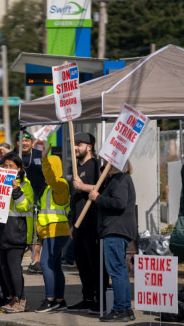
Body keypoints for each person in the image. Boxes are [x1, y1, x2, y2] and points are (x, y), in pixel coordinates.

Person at [89, 160, 136, 322]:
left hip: (115, 229)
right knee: (120, 270)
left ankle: (119, 309)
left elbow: (119, 203)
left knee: (116, 270)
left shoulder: (120, 179)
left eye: (106, 162)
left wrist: (98, 198)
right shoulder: (117, 179)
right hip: (116, 229)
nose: (103, 165)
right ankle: (125, 308)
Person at [67, 132, 108, 313]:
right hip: (78, 226)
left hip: (93, 225)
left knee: (96, 265)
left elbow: (104, 189)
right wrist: (71, 223)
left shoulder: (97, 165)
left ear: (89, 147)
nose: (75, 147)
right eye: (74, 144)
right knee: (82, 265)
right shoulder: (75, 168)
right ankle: (88, 298)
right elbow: (74, 198)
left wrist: (83, 187)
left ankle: (102, 300)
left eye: (79, 144)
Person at [0, 131, 45, 274]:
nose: (23, 143)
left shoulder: (38, 154)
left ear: (32, 142)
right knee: (26, 231)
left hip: (38, 197)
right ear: (15, 143)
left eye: (27, 140)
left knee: (37, 232)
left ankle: (35, 260)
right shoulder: (10, 156)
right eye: (20, 140)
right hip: (17, 200)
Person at [0, 152, 34, 313]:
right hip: (1, 231)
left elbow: (25, 206)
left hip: (17, 232)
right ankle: (13, 298)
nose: (8, 169)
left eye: (11, 166)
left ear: (19, 168)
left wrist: (16, 189)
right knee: (4, 268)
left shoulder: (25, 185)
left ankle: (21, 300)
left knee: (14, 268)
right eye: (5, 166)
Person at [35, 144, 70, 313]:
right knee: (54, 266)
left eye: (48, 165)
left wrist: (44, 159)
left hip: (57, 231)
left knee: (46, 263)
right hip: (50, 232)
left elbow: (51, 178)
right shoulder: (50, 187)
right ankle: (59, 300)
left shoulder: (60, 184)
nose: (45, 169)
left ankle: (50, 300)